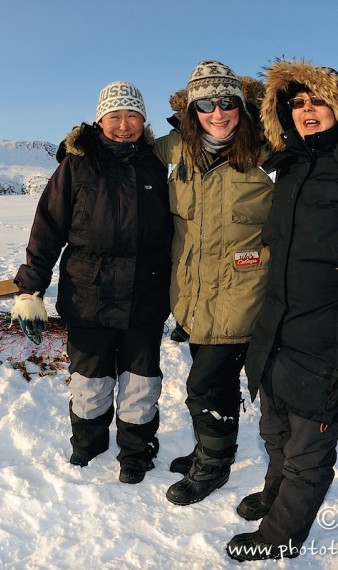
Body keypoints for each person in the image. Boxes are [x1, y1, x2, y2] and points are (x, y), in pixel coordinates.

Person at [12, 81, 171, 484]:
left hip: (145, 294)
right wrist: (30, 289)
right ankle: (88, 444)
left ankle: (136, 451)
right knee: (90, 382)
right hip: (88, 295)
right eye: (115, 116)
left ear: (143, 120)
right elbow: (47, 229)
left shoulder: (155, 165)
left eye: (132, 116)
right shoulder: (76, 166)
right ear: (100, 120)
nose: (123, 125)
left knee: (141, 384)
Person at [226, 59, 338, 562]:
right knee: (274, 426)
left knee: (307, 451)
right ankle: (275, 499)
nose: (308, 111)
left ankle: (281, 538)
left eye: (317, 101)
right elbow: (231, 129)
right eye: (297, 103)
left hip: (326, 334)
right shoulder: (290, 162)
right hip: (277, 324)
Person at [153, 61, 274, 505]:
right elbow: (124, 148)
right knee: (213, 383)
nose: (217, 113)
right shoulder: (178, 149)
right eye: (206, 104)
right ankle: (212, 446)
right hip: (193, 296)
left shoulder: (266, 152)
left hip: (243, 296)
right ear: (192, 110)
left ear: (241, 107)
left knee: (205, 386)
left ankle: (214, 466)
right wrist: (83, 146)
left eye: (227, 103)